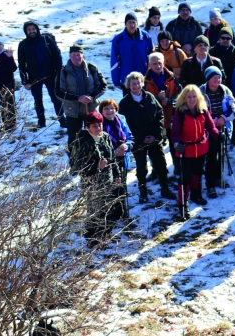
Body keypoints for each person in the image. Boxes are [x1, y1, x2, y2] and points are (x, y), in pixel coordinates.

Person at [71, 111, 124, 245]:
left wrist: (117, 175)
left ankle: (106, 233)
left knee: (108, 207)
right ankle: (92, 238)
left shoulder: (105, 137)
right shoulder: (81, 141)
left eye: (99, 125)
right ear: (87, 127)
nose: (98, 128)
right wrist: (96, 167)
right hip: (92, 183)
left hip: (108, 180)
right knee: (95, 210)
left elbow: (112, 159)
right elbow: (76, 166)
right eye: (94, 126)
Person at [119, 72, 173, 204]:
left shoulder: (150, 97)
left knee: (161, 164)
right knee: (141, 168)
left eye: (138, 83)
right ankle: (143, 192)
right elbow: (125, 124)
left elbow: (160, 116)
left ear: (142, 83)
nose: (136, 86)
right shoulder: (125, 103)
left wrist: (155, 135)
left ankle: (165, 188)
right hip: (138, 142)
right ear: (129, 86)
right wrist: (140, 138)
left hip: (154, 139)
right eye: (133, 84)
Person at [170, 85, 218, 212]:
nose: (192, 99)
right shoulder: (180, 112)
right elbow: (174, 133)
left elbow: (211, 127)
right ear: (184, 98)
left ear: (198, 97)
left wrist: (218, 135)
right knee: (184, 177)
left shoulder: (203, 110)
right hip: (185, 149)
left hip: (201, 148)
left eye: (194, 96)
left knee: (197, 173)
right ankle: (183, 202)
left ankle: (196, 195)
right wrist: (176, 144)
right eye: (189, 97)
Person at [58, 42, 107, 146]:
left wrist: (91, 96)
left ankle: (95, 158)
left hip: (91, 109)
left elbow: (103, 85)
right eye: (73, 55)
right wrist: (77, 98)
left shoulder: (92, 68)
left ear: (82, 55)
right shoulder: (63, 71)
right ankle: (75, 160)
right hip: (72, 112)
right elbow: (59, 92)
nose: (76, 57)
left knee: (94, 135)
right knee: (74, 139)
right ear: (69, 56)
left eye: (78, 54)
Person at [201, 66, 235, 197]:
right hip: (208, 129)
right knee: (211, 156)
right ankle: (210, 185)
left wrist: (223, 117)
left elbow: (233, 107)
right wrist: (211, 121)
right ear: (208, 78)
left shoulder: (225, 90)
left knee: (221, 153)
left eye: (219, 77)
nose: (217, 79)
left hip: (222, 126)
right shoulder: (201, 91)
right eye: (214, 77)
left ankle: (218, 178)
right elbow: (199, 110)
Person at [17, 21, 63, 128]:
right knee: (38, 101)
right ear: (26, 32)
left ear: (37, 29)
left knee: (56, 99)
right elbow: (21, 64)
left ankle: (62, 119)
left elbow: (57, 57)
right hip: (34, 77)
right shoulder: (23, 45)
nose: (32, 31)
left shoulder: (46, 40)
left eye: (33, 29)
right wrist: (25, 81)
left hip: (50, 75)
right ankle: (41, 122)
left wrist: (58, 73)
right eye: (29, 30)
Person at [98, 98, 133, 216]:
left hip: (123, 160)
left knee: (122, 187)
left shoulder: (121, 120)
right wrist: (114, 152)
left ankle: (123, 213)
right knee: (111, 189)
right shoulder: (99, 124)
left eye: (112, 108)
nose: (110, 111)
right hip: (108, 164)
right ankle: (112, 214)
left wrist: (126, 146)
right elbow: (98, 146)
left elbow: (130, 138)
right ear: (101, 111)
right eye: (106, 109)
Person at [111, 13, 155, 96]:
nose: (132, 25)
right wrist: (116, 80)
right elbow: (114, 62)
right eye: (129, 22)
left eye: (134, 22)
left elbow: (152, 57)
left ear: (137, 24)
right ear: (125, 24)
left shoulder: (146, 37)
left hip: (143, 79)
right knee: (129, 106)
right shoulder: (118, 40)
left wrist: (151, 75)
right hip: (126, 80)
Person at [144, 51, 181, 135]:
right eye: (154, 64)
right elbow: (144, 100)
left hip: (172, 115)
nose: (158, 66)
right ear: (149, 65)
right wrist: (158, 99)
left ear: (164, 63)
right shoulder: (145, 81)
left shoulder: (172, 76)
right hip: (155, 118)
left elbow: (180, 94)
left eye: (160, 63)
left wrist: (169, 101)